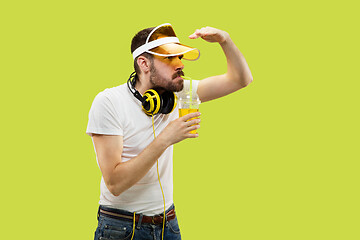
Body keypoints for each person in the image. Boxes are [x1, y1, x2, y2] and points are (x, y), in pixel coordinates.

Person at [86, 23, 253, 240]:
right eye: (169, 58)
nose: (180, 64)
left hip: (168, 224)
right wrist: (167, 138)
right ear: (144, 63)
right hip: (121, 227)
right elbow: (115, 184)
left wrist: (225, 40)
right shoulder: (109, 102)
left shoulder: (179, 94)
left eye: (180, 57)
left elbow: (241, 79)